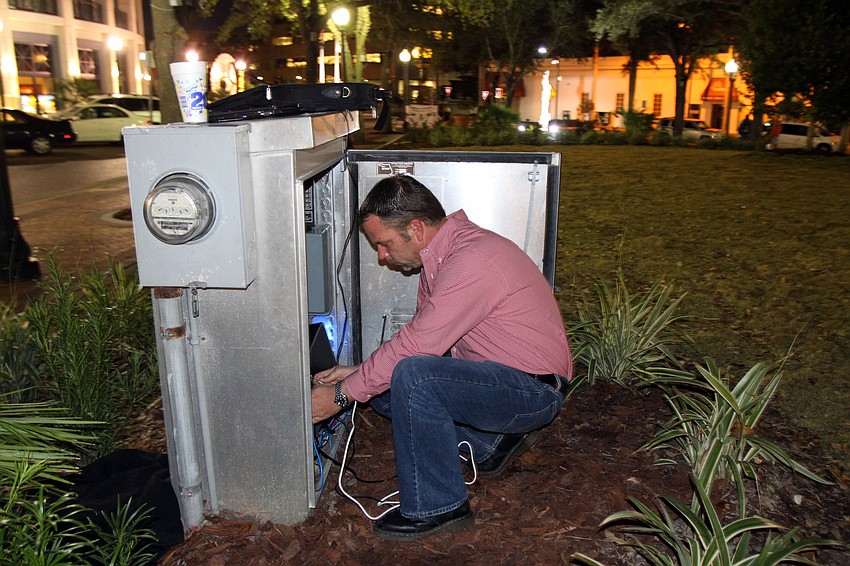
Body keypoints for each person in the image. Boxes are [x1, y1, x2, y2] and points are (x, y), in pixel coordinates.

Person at [311, 174, 572, 541]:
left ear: (415, 229)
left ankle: (439, 506)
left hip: (532, 390)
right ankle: (490, 444)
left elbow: (417, 350)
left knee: (412, 378)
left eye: (383, 244)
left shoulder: (473, 259)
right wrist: (358, 373)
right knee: (388, 384)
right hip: (499, 381)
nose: (382, 256)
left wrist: (341, 395)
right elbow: (424, 338)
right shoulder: (440, 258)